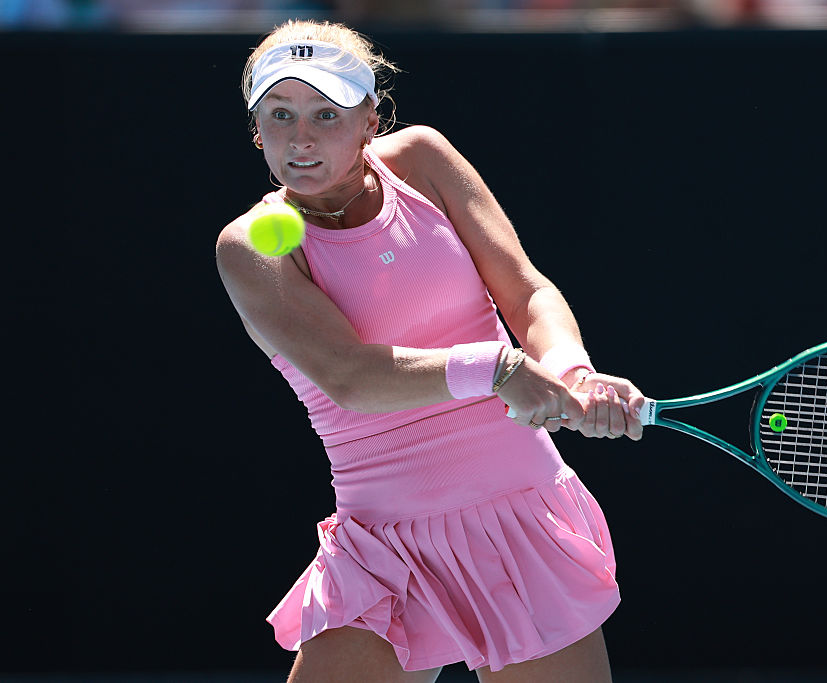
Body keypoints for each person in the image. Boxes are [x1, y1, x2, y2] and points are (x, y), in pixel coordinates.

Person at [215, 19, 645, 683]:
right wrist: (498, 368)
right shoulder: (251, 246)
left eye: (326, 114)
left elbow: (527, 291)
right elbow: (350, 377)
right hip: (384, 550)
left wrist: (572, 371)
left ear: (370, 120)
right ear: (256, 129)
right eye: (280, 115)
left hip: (519, 515)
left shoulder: (421, 159)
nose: (301, 139)